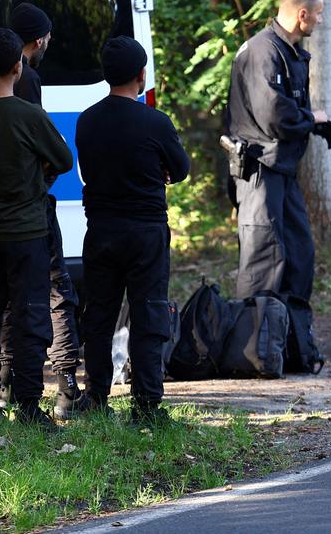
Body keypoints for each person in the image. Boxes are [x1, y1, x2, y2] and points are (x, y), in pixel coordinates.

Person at [0, 2, 88, 418]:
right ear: (19, 66)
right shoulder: (29, 114)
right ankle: (28, 404)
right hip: (25, 229)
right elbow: (63, 158)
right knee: (30, 313)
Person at [225, 0, 331, 371]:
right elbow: (275, 116)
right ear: (302, 13)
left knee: (298, 254)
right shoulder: (262, 51)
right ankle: (252, 356)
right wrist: (314, 119)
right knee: (263, 257)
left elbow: (289, 110)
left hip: (284, 170)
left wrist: (317, 126)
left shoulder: (290, 51)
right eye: (319, 13)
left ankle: (288, 350)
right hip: (260, 171)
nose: (321, 20)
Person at [76, 36, 190, 424]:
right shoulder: (155, 122)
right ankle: (146, 403)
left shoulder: (87, 120)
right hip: (147, 231)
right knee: (149, 313)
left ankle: (96, 397)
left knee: (99, 315)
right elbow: (182, 169)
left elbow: (90, 169)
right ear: (141, 76)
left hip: (102, 228)